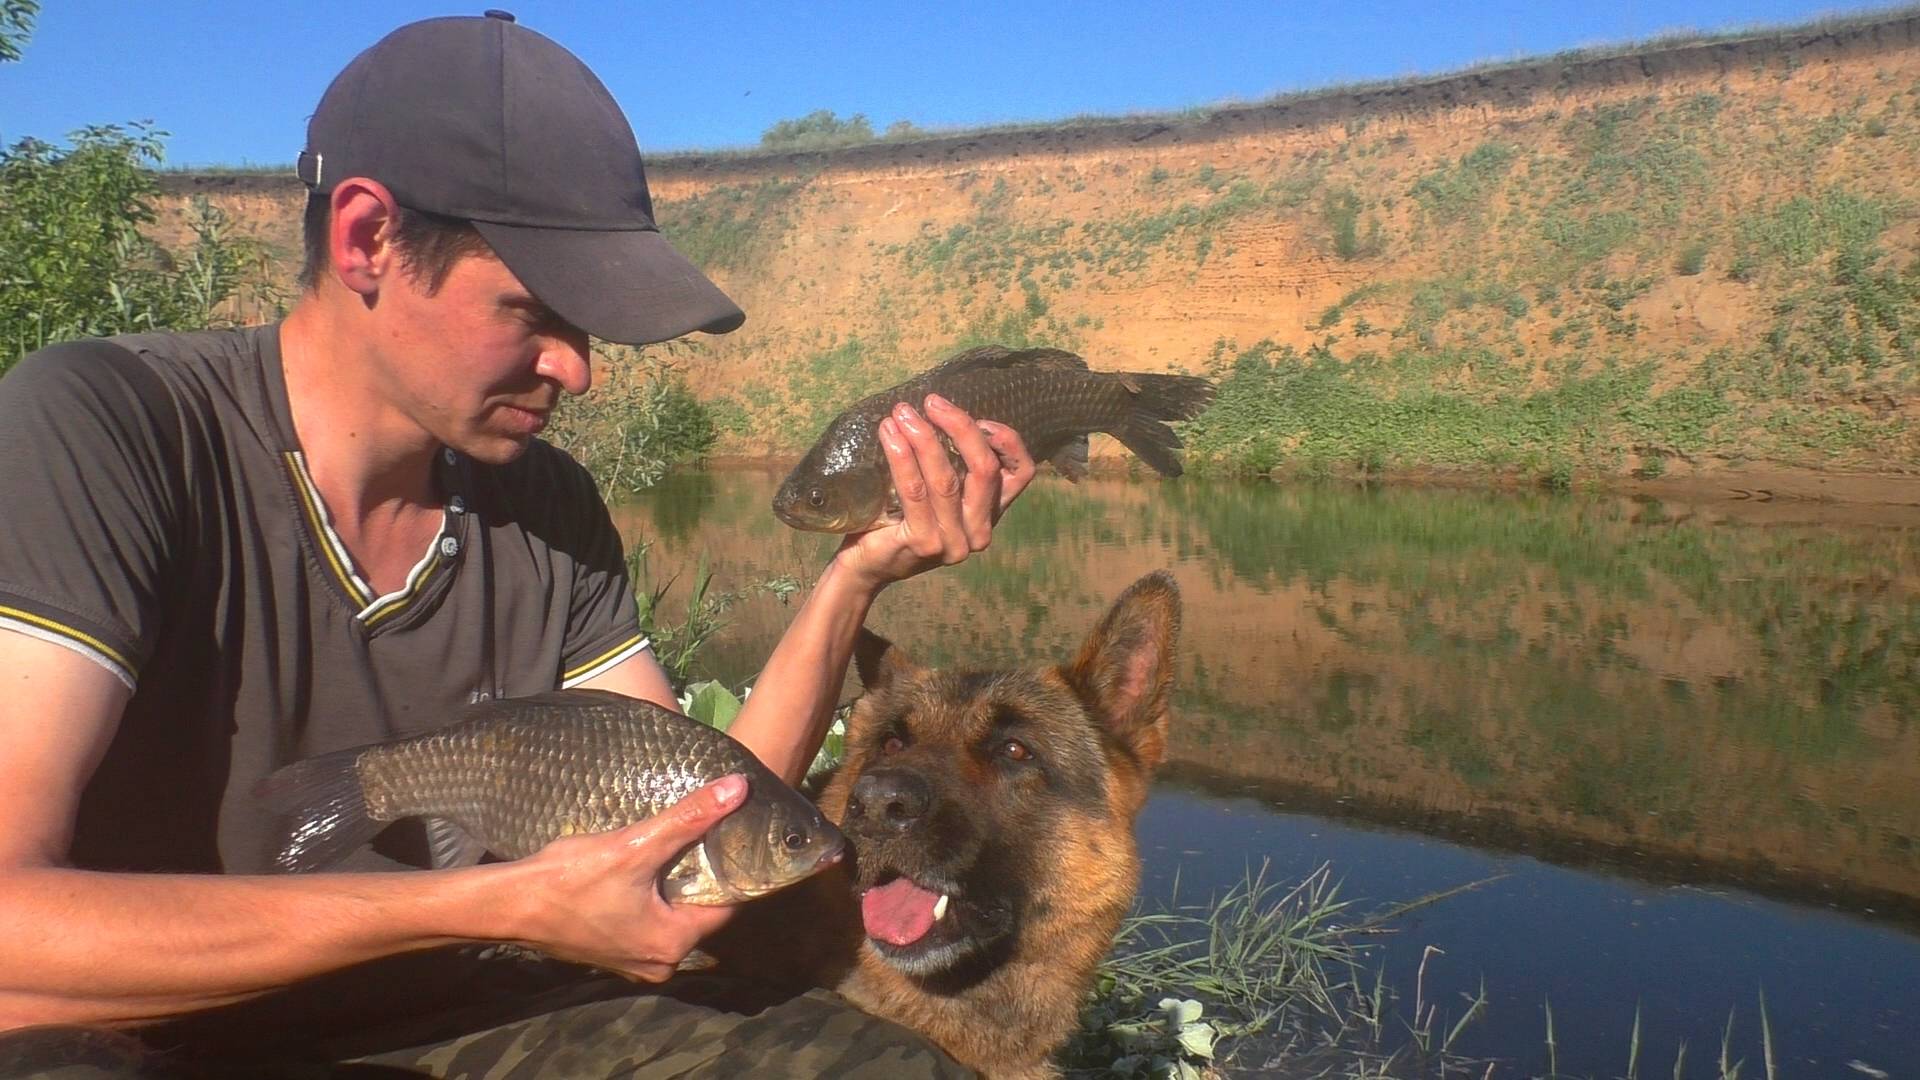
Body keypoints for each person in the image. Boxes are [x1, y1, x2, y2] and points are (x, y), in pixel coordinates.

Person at [0, 11, 1033, 1078]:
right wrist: (481, 901)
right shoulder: (102, 428)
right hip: (139, 1034)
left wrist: (853, 574)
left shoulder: (546, 503)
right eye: (534, 311)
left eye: (586, 329)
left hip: (463, 1021)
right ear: (368, 240)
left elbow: (698, 823)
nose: (576, 369)